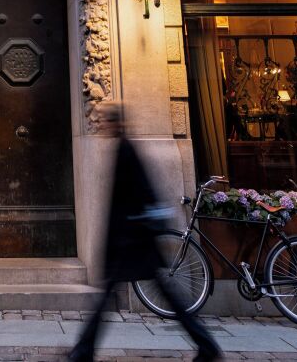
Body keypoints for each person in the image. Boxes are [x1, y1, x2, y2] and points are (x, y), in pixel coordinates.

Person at [70, 103, 221, 362]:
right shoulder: (123, 148)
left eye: (105, 122)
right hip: (132, 239)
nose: (101, 127)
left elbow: (138, 194)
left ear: (115, 124)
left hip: (131, 240)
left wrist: (118, 237)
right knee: (155, 294)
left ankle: (84, 350)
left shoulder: (125, 149)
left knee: (140, 295)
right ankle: (84, 349)